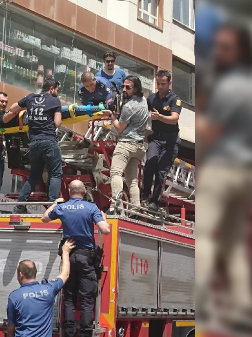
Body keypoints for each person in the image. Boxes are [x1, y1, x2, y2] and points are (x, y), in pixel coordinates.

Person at [194, 23, 252, 318]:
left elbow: (211, 132)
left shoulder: (230, 86)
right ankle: (242, 305)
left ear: (240, 51)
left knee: (203, 233)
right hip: (250, 173)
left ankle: (199, 298)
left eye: (225, 47)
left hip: (224, 169)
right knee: (235, 243)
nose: (218, 52)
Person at [41, 180, 111, 337]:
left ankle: (69, 332)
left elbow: (44, 218)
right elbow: (105, 230)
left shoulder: (62, 207)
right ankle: (86, 333)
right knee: (86, 300)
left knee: (69, 298)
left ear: (69, 190)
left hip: (69, 256)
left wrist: (55, 203)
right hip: (86, 258)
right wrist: (104, 217)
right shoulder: (91, 207)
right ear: (84, 191)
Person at [3, 77, 62, 214]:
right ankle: (53, 205)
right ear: (51, 89)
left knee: (34, 175)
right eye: (56, 90)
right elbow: (57, 123)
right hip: (49, 141)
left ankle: (20, 205)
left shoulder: (29, 98)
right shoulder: (55, 101)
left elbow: (12, 108)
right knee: (55, 174)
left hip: (34, 143)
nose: (57, 93)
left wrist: (28, 107)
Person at [6, 240, 76, 337]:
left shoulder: (14, 297)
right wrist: (65, 251)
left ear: (21, 275)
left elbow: (11, 327)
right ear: (35, 272)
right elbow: (65, 274)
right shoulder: (49, 289)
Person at [141, 69, 182, 211]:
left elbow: (174, 118)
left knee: (161, 171)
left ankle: (155, 201)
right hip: (156, 138)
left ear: (169, 83)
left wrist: (159, 117)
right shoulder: (151, 98)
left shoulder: (174, 99)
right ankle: (144, 195)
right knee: (150, 163)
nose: (160, 86)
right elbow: (142, 111)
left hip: (170, 140)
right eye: (158, 83)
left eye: (163, 83)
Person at [107, 76, 149, 215]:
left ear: (135, 89)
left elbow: (119, 128)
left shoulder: (129, 106)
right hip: (139, 146)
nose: (124, 90)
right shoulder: (143, 100)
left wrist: (111, 116)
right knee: (132, 180)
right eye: (123, 86)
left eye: (128, 87)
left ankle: (116, 205)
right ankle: (136, 209)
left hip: (126, 143)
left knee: (115, 173)